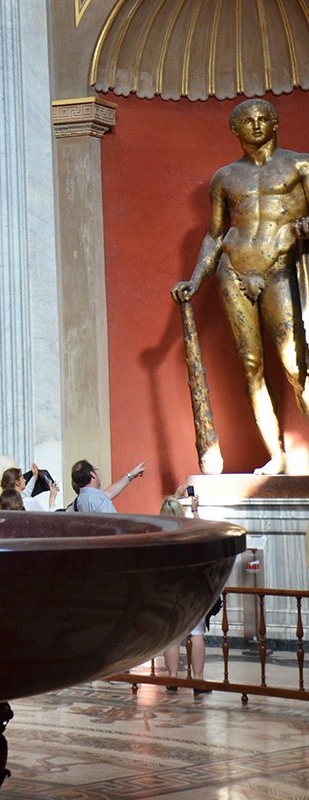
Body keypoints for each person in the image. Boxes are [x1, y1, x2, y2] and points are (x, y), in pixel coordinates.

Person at [170, 99, 309, 475]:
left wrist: (303, 229)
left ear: (277, 123)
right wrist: (195, 280)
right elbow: (215, 234)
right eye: (249, 121)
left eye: (265, 119)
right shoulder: (226, 177)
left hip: (280, 265)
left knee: (296, 365)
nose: (258, 125)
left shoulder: (300, 164)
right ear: (235, 129)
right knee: (251, 366)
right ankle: (276, 454)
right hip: (233, 269)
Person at [159, 486, 211, 695]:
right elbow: (204, 533)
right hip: (193, 589)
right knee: (196, 633)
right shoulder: (190, 532)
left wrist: (175, 496)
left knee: (173, 636)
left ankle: (172, 678)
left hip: (169, 589)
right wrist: (195, 509)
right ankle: (197, 680)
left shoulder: (158, 535)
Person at [69, 459, 145, 512]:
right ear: (92, 474)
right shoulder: (99, 499)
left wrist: (130, 475)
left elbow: (108, 493)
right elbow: (113, 525)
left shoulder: (79, 500)